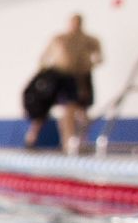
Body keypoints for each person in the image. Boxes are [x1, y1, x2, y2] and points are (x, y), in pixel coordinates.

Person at [26, 14, 103, 154]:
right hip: (60, 77)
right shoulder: (60, 39)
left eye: (78, 23)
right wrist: (44, 76)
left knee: (81, 111)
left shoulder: (89, 40)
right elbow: (44, 58)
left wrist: (88, 65)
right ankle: (56, 140)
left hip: (81, 77)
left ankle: (77, 142)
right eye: (73, 23)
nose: (75, 26)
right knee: (59, 110)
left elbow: (99, 58)